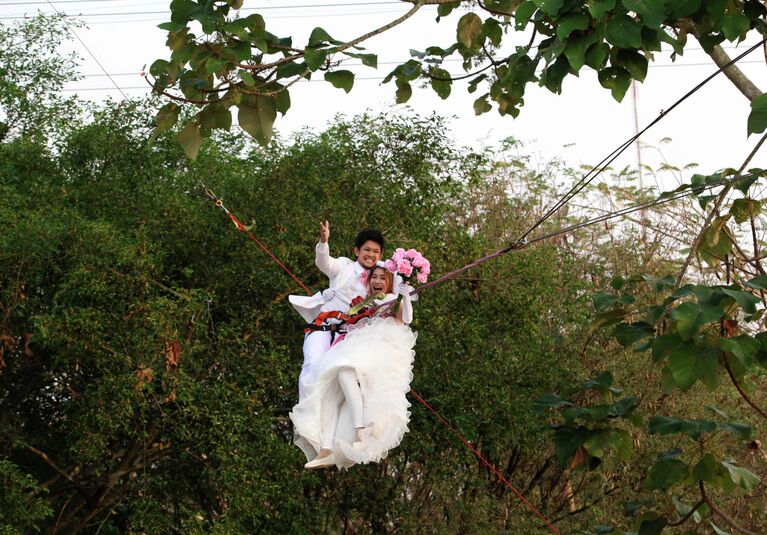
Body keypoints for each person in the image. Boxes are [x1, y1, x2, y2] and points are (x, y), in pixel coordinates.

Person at [290, 264, 417, 470]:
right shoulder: (363, 302)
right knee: (333, 383)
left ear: (390, 283)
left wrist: (404, 295)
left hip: (382, 350)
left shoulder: (392, 300)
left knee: (344, 371)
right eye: (373, 277)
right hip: (361, 345)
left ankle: (360, 429)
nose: (377, 281)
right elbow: (351, 320)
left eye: (382, 278)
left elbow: (407, 318)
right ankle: (326, 447)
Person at [289, 222, 385, 402]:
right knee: (312, 363)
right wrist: (323, 242)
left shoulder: (378, 279)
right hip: (323, 328)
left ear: (380, 255)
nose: (371, 254)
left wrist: (408, 270)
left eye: (375, 251)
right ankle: (306, 418)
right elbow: (324, 262)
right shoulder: (344, 266)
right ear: (357, 251)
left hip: (349, 338)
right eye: (367, 250)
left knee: (344, 379)